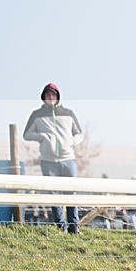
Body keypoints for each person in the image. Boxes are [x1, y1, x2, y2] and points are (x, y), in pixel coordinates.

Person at [23, 83, 83, 234]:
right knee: (54, 194)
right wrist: (42, 137)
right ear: (43, 97)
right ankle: (60, 226)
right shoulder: (36, 115)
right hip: (48, 161)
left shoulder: (68, 113)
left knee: (71, 192)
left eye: (53, 94)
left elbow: (79, 134)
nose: (51, 97)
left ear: (58, 96)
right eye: (48, 95)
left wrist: (71, 142)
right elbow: (26, 134)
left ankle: (74, 226)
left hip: (68, 159)